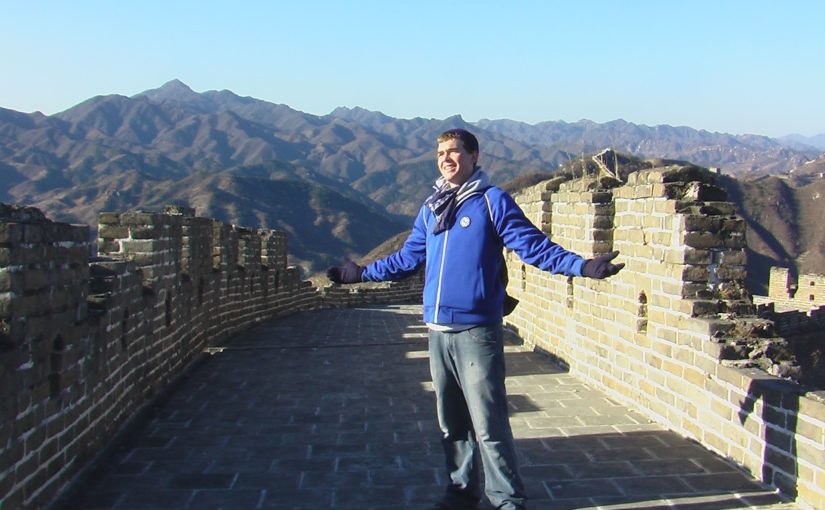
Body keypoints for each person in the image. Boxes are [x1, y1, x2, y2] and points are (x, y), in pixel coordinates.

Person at [327, 128, 623, 510]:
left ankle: (507, 500)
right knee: (452, 425)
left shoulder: (491, 201)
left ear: (474, 156)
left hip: (476, 331)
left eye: (454, 152)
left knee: (489, 424)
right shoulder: (432, 206)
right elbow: (406, 259)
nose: (446, 159)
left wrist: (581, 266)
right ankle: (461, 492)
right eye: (440, 154)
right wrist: (360, 273)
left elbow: (533, 247)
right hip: (437, 331)